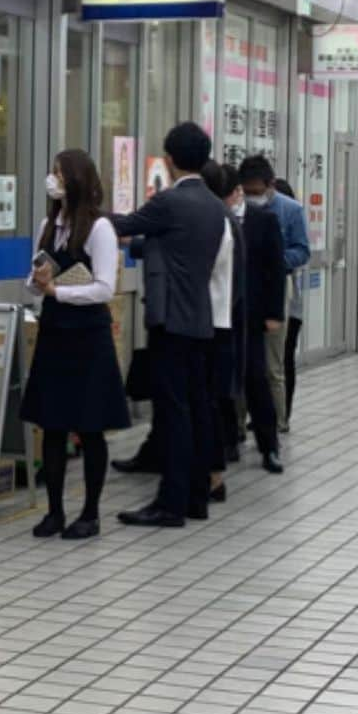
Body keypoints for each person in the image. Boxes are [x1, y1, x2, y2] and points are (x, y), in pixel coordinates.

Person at [110, 123, 228, 528]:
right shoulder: (216, 206)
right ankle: (195, 497)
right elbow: (175, 246)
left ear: (170, 160)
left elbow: (120, 225)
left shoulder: (169, 202)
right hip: (199, 319)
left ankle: (170, 503)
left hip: (170, 322)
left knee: (174, 413)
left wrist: (79, 206)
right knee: (194, 410)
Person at [21, 150, 130, 541]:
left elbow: (104, 287)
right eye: (51, 172)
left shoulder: (99, 228)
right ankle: (53, 511)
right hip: (54, 330)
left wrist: (58, 291)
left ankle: (90, 513)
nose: (52, 179)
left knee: (90, 425)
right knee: (52, 424)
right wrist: (38, 283)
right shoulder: (48, 225)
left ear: (76, 179)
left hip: (87, 333)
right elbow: (32, 281)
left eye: (58, 173)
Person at [209, 165, 285, 475]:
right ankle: (228, 442)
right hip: (221, 313)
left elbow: (275, 270)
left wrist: (273, 313)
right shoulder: (213, 219)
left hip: (252, 316)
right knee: (222, 381)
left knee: (256, 380)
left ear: (237, 192)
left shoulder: (264, 220)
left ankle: (269, 446)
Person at [239, 156, 310, 433]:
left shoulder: (290, 210)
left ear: (271, 185)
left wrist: (273, 259)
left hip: (277, 286)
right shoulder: (236, 207)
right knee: (243, 362)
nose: (251, 197)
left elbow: (302, 250)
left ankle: (277, 423)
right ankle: (238, 426)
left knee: (273, 365)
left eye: (257, 192)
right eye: (247, 192)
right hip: (243, 289)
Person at [200, 160, 244, 502]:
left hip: (214, 324)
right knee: (210, 402)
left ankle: (212, 476)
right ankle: (212, 474)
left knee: (208, 403)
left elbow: (236, 282)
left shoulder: (220, 221)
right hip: (217, 323)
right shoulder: (223, 218)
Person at [274, 177, 305, 425]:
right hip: (287, 307)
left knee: (284, 361)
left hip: (290, 307)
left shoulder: (293, 223)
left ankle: (283, 413)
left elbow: (300, 256)